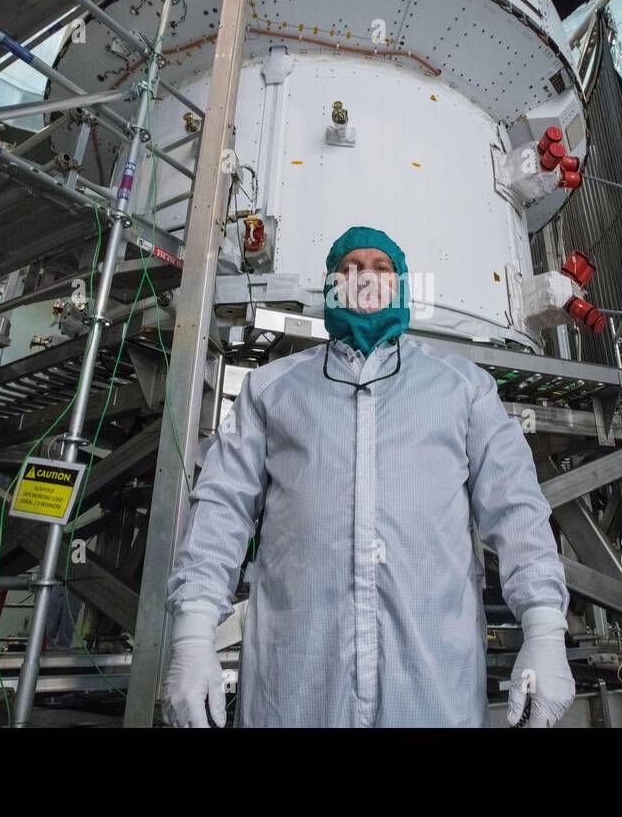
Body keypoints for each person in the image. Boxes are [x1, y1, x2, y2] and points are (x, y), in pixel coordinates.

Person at [162, 225, 575, 727]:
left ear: (402, 285)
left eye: (382, 269)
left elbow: (516, 510)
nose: (366, 279)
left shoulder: (462, 388)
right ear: (331, 285)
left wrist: (546, 631)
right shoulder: (272, 390)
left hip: (430, 687)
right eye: (350, 269)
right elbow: (222, 507)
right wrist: (192, 635)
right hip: (299, 687)